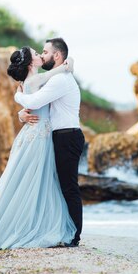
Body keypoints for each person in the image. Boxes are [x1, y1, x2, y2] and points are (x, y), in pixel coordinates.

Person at [0, 46, 77, 254]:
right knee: (34, 182)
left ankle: (30, 223)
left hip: (36, 134)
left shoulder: (31, 82)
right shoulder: (33, 81)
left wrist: (19, 104)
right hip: (38, 137)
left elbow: (51, 79)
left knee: (33, 182)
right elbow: (53, 75)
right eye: (37, 54)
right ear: (31, 63)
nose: (40, 55)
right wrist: (67, 66)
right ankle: (32, 226)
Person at [15, 38, 85, 247]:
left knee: (68, 187)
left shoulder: (60, 80)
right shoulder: (55, 77)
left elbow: (35, 101)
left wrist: (17, 97)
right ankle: (62, 229)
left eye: (45, 52)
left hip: (67, 136)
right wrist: (21, 114)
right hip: (61, 136)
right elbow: (38, 102)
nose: (42, 55)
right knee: (60, 185)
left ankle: (74, 236)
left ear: (56, 56)